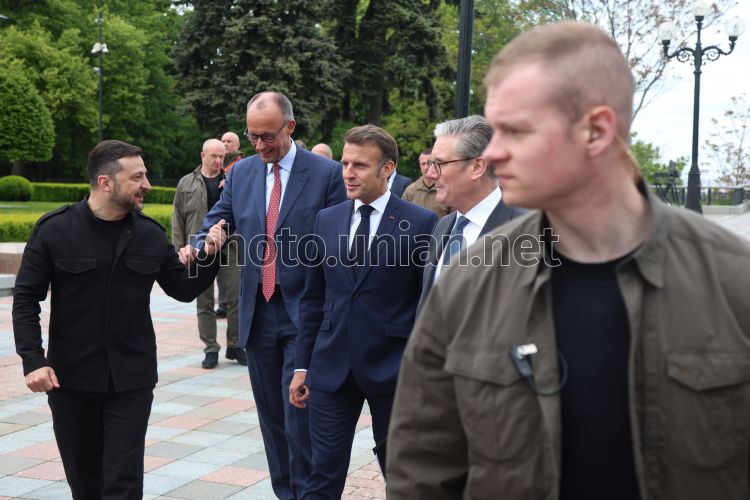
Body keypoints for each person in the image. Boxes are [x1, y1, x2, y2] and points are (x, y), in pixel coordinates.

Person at [387, 21, 750, 500]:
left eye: (516, 130)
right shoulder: (470, 281)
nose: (494, 153)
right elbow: (421, 466)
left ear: (596, 130)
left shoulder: (732, 279)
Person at [12, 140, 225, 500]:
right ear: (105, 182)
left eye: (145, 176)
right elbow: (26, 299)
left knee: (123, 483)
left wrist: (210, 255)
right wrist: (33, 360)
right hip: (70, 380)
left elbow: (183, 289)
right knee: (85, 483)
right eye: (137, 177)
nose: (147, 185)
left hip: (131, 381)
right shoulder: (54, 230)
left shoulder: (149, 234)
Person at [191, 91, 347, 500]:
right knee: (272, 419)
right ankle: (285, 493)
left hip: (305, 314)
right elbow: (219, 217)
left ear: (290, 127)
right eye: (252, 136)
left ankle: (309, 494)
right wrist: (207, 237)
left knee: (300, 417)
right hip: (257, 314)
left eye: (268, 136)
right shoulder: (242, 173)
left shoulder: (327, 174)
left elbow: (340, 242)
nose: (259, 145)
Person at [289, 124, 437, 498]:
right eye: (345, 164)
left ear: (387, 169)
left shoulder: (422, 223)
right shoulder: (327, 219)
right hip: (331, 367)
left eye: (360, 165)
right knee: (322, 475)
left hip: (393, 370)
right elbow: (313, 299)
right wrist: (302, 365)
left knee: (402, 474)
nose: (348, 173)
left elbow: (428, 304)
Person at [416, 115, 525, 313]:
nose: (430, 174)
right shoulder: (442, 226)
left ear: (477, 167)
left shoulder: (527, 230)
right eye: (430, 163)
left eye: (439, 163)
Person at [173, 139, 243, 369]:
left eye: (222, 156)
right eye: (214, 156)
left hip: (229, 247)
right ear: (202, 156)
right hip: (199, 248)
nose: (218, 160)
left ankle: (235, 345)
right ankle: (211, 348)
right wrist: (179, 249)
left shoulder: (232, 181)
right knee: (203, 301)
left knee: (236, 297)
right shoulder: (186, 183)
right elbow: (178, 218)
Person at [216, 131, 244, 318]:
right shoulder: (218, 166)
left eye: (229, 141)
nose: (225, 143)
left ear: (237, 146)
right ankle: (223, 303)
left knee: (235, 270)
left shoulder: (241, 166)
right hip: (220, 227)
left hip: (235, 230)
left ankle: (232, 305)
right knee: (219, 269)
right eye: (223, 140)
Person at [402, 148, 452, 218]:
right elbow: (403, 216)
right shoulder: (410, 191)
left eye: (429, 163)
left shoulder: (447, 190)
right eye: (423, 164)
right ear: (419, 166)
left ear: (435, 164)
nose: (426, 167)